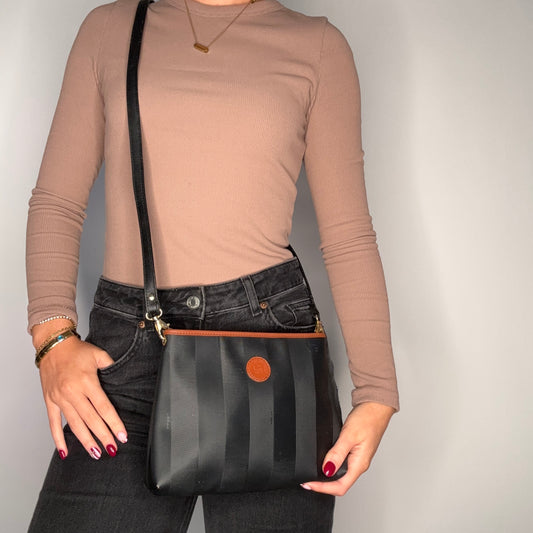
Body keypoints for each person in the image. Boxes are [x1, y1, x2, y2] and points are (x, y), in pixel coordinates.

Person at [25, 0, 400, 531]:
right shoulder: (110, 28)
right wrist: (52, 338)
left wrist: (378, 391)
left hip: (269, 350)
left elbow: (348, 234)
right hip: (127, 354)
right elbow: (57, 201)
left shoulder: (318, 46)